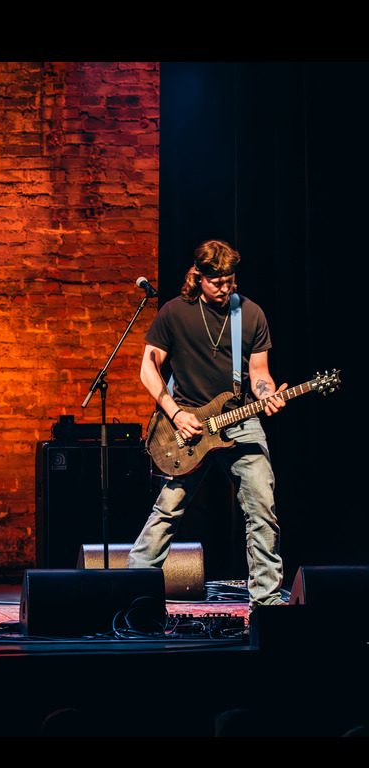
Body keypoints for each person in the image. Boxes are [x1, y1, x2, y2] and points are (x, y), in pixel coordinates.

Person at [128, 239, 286, 606]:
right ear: (198, 276)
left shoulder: (250, 315)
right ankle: (132, 589)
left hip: (238, 422)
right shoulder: (173, 313)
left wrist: (267, 395)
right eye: (218, 282)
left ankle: (266, 600)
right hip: (188, 426)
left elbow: (259, 374)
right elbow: (147, 369)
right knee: (168, 510)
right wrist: (175, 412)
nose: (226, 288)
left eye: (231, 281)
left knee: (262, 507)